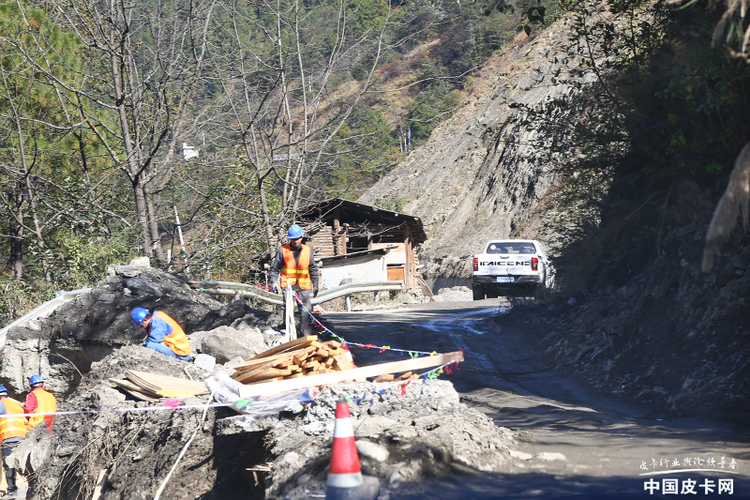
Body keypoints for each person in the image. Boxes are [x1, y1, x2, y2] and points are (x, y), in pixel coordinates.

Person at [269, 224, 320, 337]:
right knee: (289, 311)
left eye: (297, 238)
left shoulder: (307, 250)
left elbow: (313, 268)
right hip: (288, 286)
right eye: (293, 239)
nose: (295, 241)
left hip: (303, 286)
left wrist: (315, 284)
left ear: (301, 237)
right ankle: (288, 333)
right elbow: (275, 268)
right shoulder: (283, 251)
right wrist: (273, 281)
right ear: (289, 239)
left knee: (306, 311)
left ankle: (305, 335)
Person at [0, 386, 26, 498]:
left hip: (8, 437)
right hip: (22, 437)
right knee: (20, 463)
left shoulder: (1, 404)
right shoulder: (16, 405)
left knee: (9, 464)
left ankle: (12, 490)